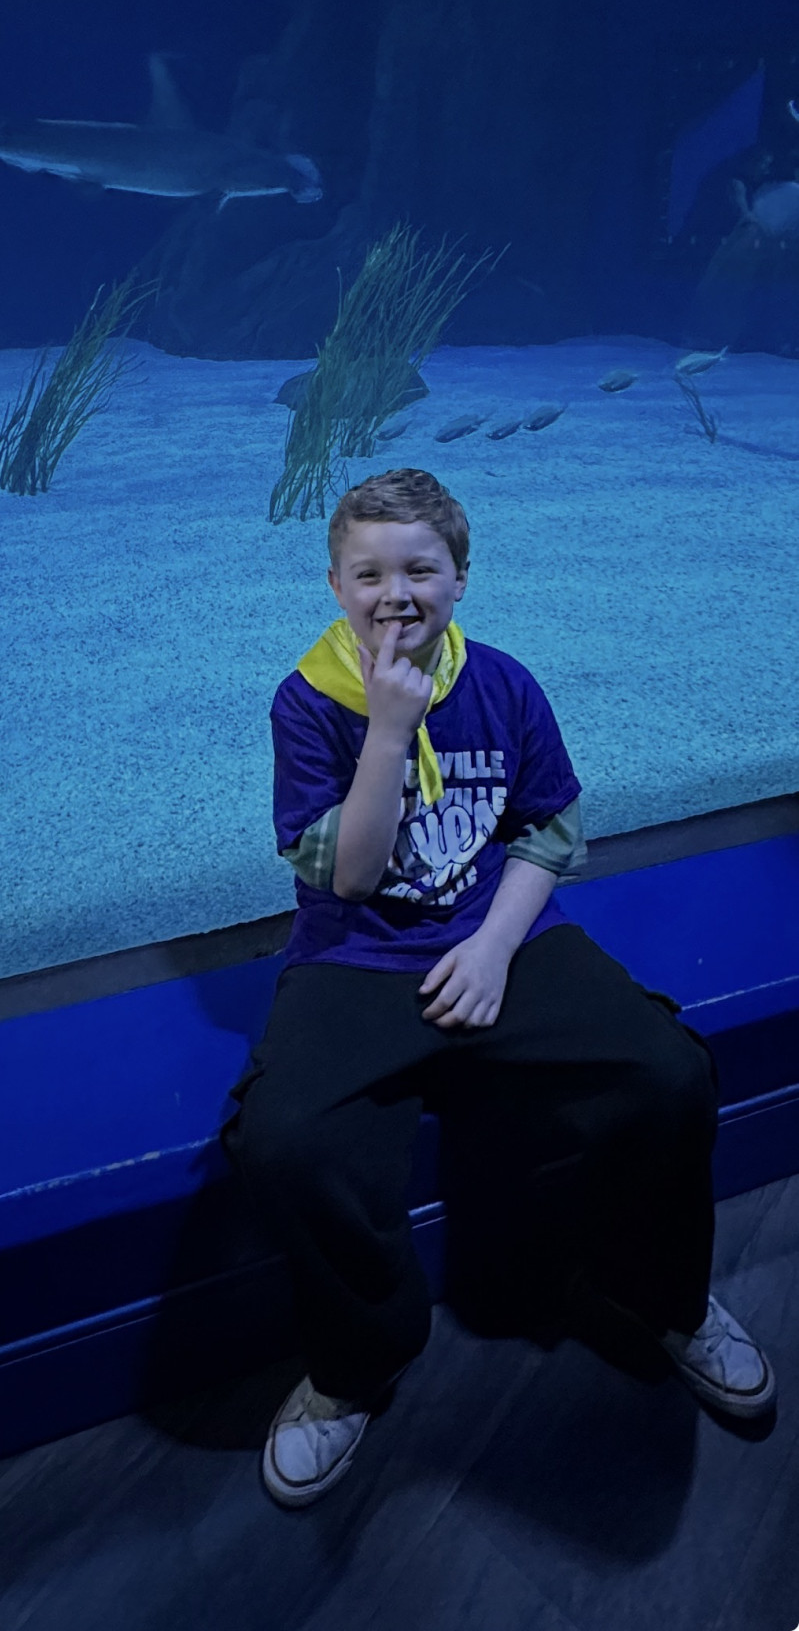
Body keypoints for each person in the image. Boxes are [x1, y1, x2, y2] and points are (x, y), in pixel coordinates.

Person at [222, 468, 776, 1510]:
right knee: (286, 1139)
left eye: (419, 569)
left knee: (666, 1075)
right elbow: (349, 877)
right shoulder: (307, 702)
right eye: (368, 572)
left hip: (501, 933)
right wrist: (389, 730)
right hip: (357, 951)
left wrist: (489, 950)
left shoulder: (506, 683)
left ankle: (666, 1298)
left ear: (460, 577)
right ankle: (353, 1366)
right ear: (335, 584)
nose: (395, 593)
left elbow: (548, 831)